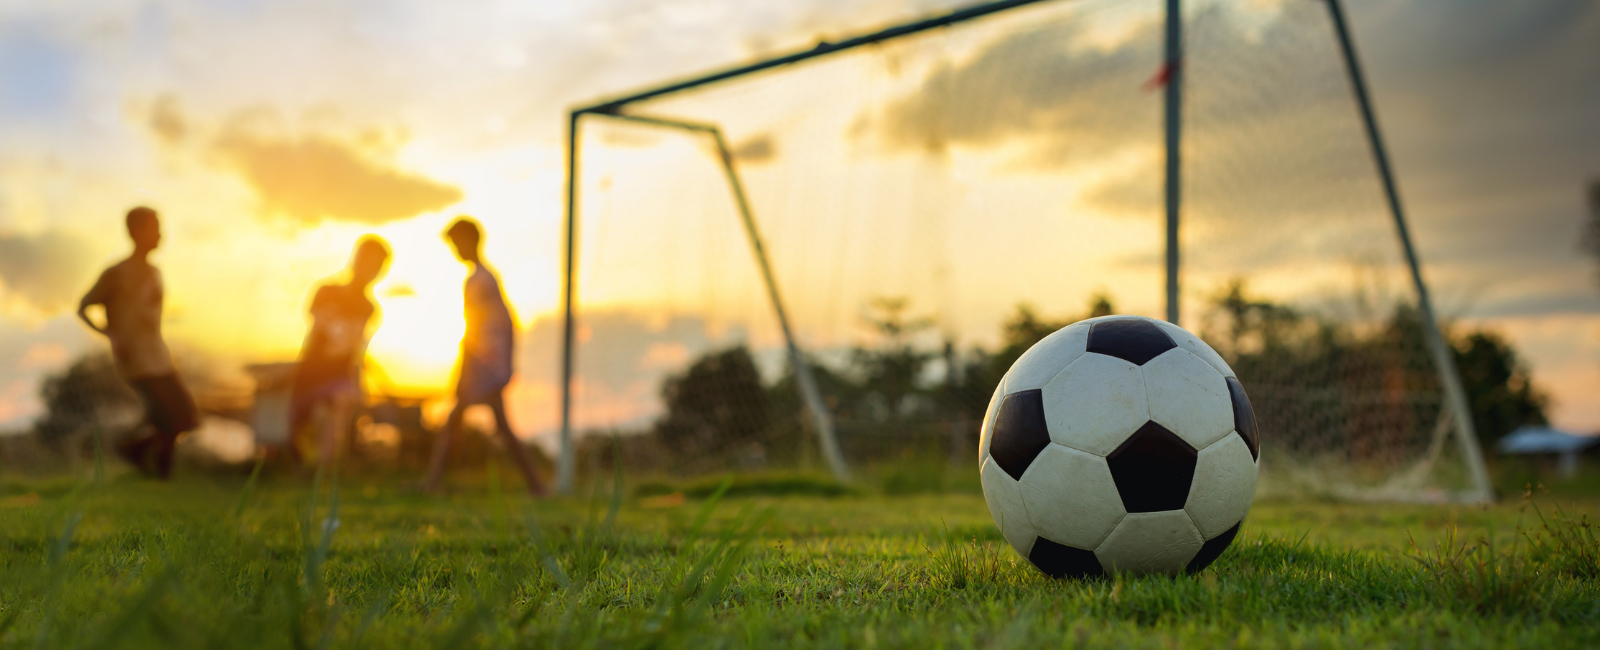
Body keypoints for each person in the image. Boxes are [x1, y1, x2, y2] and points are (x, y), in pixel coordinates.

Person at [422, 217, 546, 496]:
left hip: (483, 367)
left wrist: (463, 372)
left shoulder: (479, 281)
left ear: (470, 241)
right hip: (491, 366)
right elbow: (509, 323)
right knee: (488, 426)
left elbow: (474, 331)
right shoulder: (486, 278)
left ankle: (432, 483)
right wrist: (508, 363)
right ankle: (537, 486)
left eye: (456, 243)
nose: (455, 250)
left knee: (460, 422)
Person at [78, 206, 198, 479]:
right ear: (135, 232)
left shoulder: (155, 272)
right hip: (135, 359)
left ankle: (134, 449)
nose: (160, 235)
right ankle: (162, 474)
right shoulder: (116, 273)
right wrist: (112, 335)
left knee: (187, 417)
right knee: (168, 419)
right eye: (154, 228)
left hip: (159, 355)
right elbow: (83, 307)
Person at [290, 236, 390, 469]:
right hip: (310, 373)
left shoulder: (369, 308)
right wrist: (340, 336)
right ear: (356, 259)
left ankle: (326, 469)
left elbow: (356, 351)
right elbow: (320, 330)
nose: (370, 271)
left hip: (339, 377)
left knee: (343, 401)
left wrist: (358, 384)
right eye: (368, 262)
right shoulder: (326, 291)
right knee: (298, 433)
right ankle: (307, 466)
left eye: (377, 266)